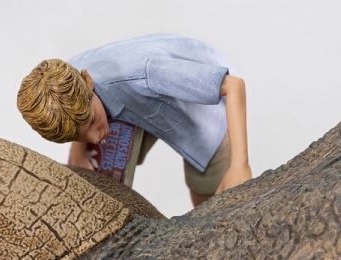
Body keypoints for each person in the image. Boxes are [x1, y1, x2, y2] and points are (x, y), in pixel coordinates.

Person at [17, 34, 253, 207]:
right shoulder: (62, 83)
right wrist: (78, 150)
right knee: (100, 178)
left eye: (91, 122)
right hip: (131, 102)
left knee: (210, 196)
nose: (95, 138)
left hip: (196, 103)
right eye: (79, 135)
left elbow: (233, 86)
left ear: (88, 81)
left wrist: (239, 165)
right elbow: (78, 119)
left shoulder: (147, 73)